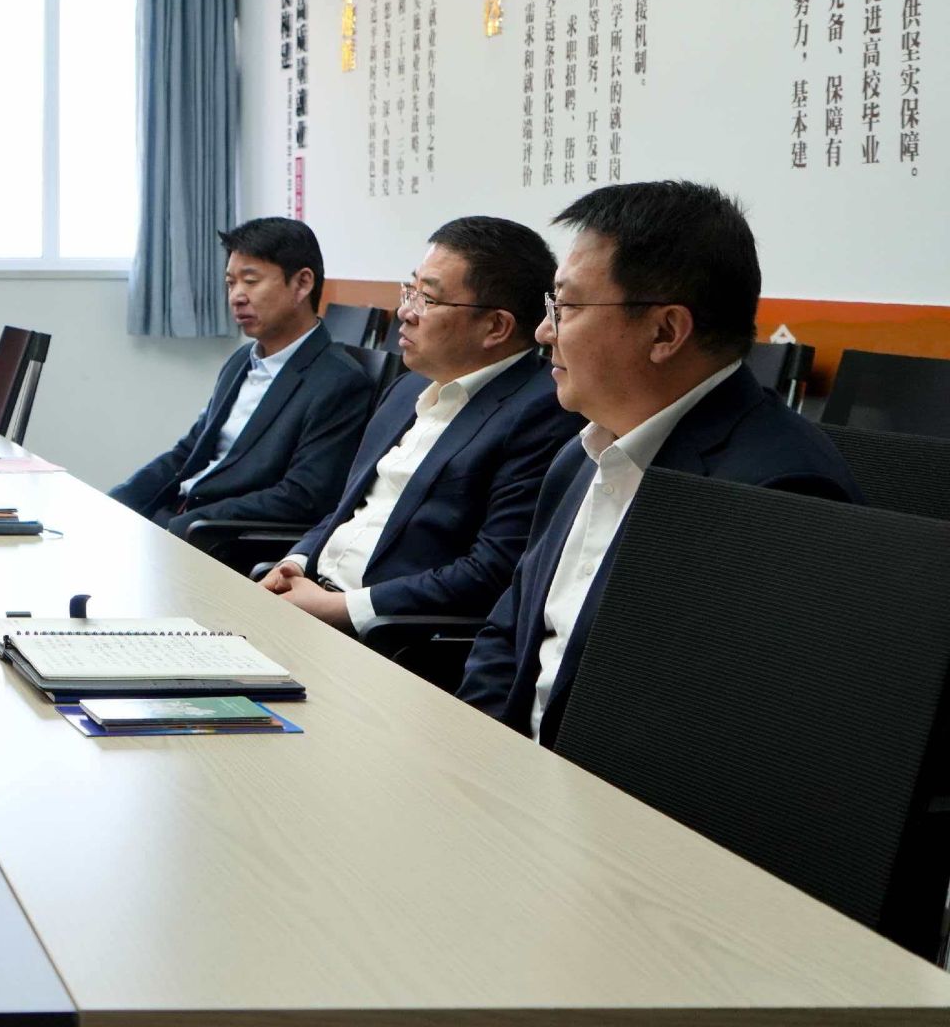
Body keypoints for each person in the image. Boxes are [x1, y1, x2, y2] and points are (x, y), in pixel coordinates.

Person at [459, 181, 860, 743]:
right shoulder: (583, 453)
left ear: (665, 331)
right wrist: (477, 750)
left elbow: (715, 732)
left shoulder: (777, 494)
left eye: (566, 306)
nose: (544, 331)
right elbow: (509, 631)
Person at [261, 217, 579, 635]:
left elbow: (492, 572)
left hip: (387, 635)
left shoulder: (541, 413)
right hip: (313, 599)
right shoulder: (407, 388)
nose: (405, 313)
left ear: (496, 327)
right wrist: (295, 562)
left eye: (427, 298)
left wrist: (343, 608)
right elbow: (348, 510)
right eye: (409, 291)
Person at [109, 217, 374, 538]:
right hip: (180, 517)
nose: (236, 296)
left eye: (250, 281)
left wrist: (181, 526)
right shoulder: (240, 361)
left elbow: (303, 497)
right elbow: (188, 452)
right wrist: (115, 501)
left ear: (302, 284)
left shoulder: (339, 382)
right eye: (230, 283)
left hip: (221, 536)